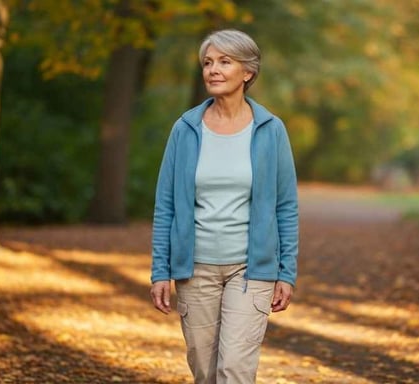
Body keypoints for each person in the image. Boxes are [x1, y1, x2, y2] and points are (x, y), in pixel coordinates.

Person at [149, 29, 299, 384]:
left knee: (235, 370)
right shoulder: (185, 129)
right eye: (208, 62)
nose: (212, 70)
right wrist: (160, 270)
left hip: (251, 270)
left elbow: (286, 207)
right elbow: (165, 206)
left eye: (224, 62)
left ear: (247, 72)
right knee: (205, 371)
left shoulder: (270, 130)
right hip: (194, 269)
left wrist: (286, 271)